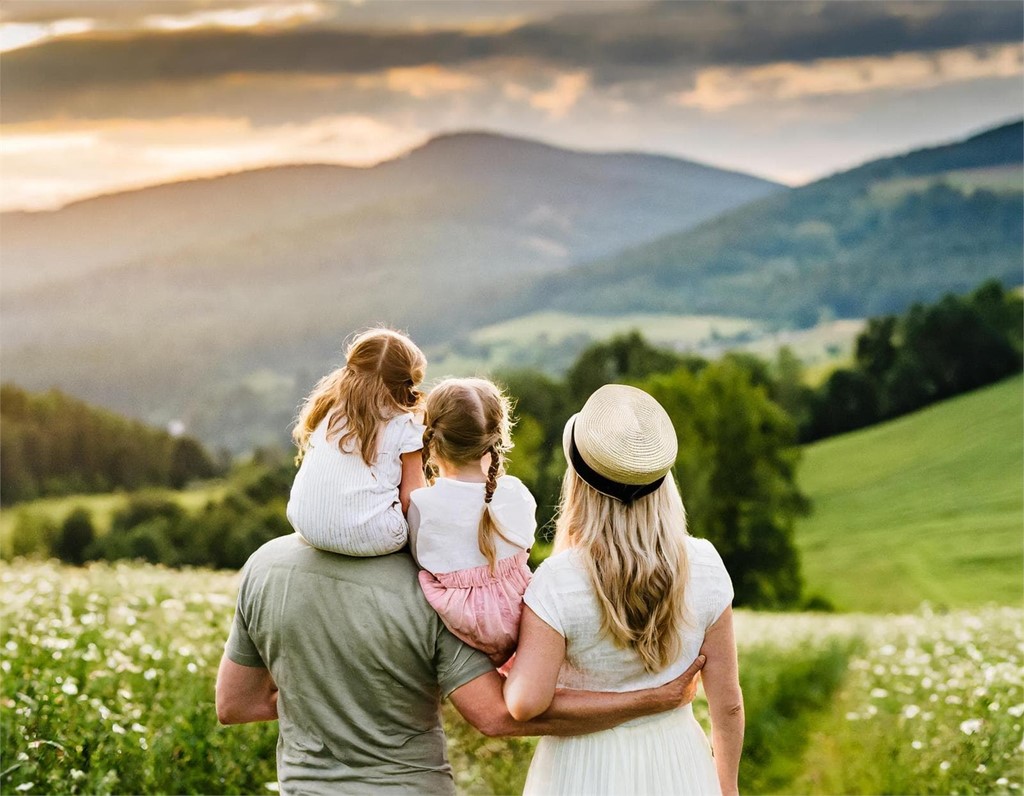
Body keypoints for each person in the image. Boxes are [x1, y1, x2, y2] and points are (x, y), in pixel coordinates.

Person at [215, 534, 708, 795]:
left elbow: (235, 704)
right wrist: (647, 700)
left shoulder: (266, 566)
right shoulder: (432, 586)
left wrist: (323, 696)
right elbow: (497, 716)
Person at [504, 384, 744, 796]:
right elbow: (729, 705)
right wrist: (728, 787)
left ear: (578, 485)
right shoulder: (704, 564)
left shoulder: (559, 580)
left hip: (579, 771)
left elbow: (525, 704)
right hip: (679, 766)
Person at [410, 377, 536, 667]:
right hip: (518, 611)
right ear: (496, 437)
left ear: (431, 438)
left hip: (465, 620)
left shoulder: (421, 504)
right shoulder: (516, 491)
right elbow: (525, 547)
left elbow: (421, 559)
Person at [286, 327, 427, 557]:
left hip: (304, 522)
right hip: (377, 535)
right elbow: (411, 498)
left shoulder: (329, 406)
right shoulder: (406, 423)